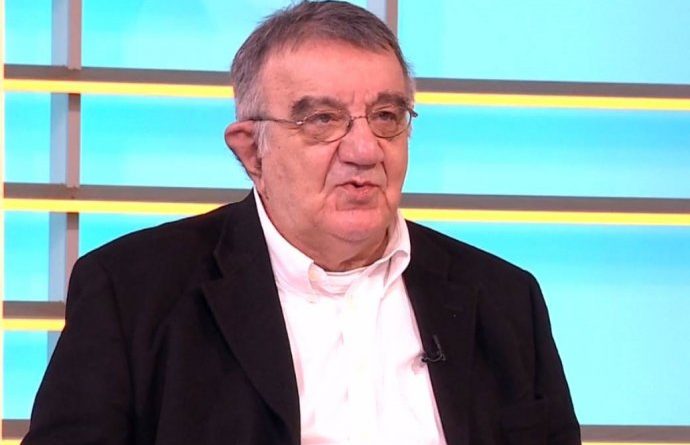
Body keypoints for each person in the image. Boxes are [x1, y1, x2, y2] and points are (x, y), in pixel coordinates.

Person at [22, 1, 581, 444]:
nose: (364, 150)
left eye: (387, 117)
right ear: (252, 152)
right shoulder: (133, 292)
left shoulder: (505, 299)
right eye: (322, 120)